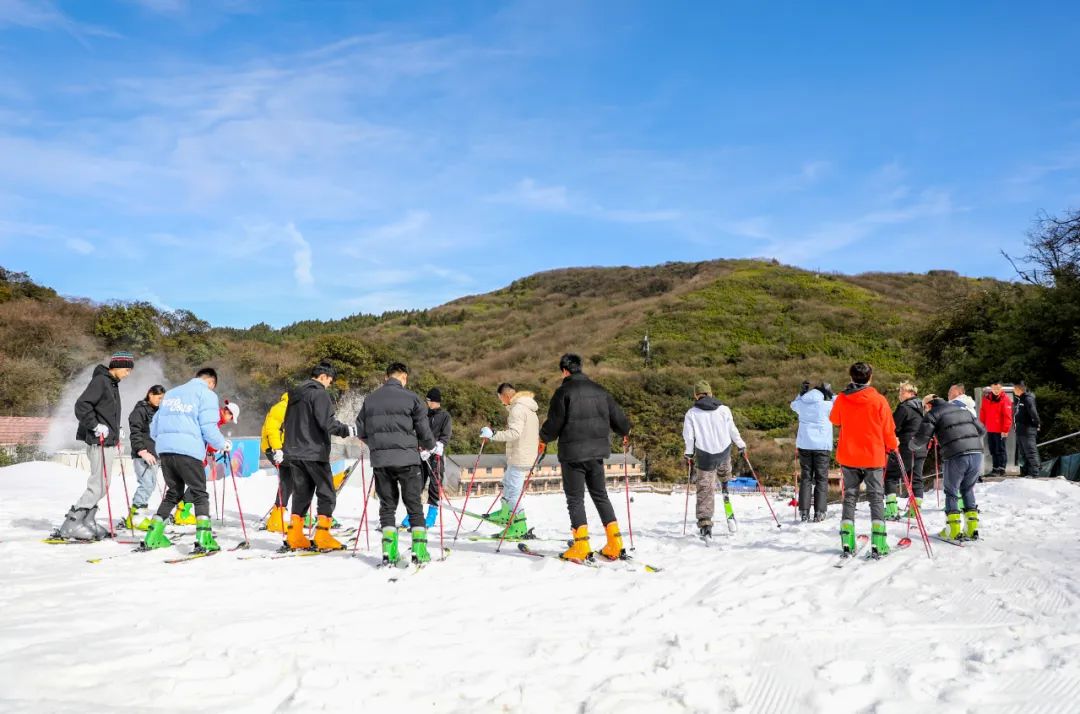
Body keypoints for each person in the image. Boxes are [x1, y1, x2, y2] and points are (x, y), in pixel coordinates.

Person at [538, 353, 632, 561]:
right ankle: (615, 543)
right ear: (580, 367)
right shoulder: (600, 391)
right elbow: (620, 420)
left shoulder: (563, 392)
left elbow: (553, 424)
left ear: (564, 371)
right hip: (597, 454)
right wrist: (624, 432)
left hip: (573, 456)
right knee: (600, 495)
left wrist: (543, 438)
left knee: (575, 499)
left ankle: (581, 546)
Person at [355, 362, 436, 565]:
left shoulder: (370, 399)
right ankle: (419, 550)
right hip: (408, 460)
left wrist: (376, 445)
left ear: (386, 377)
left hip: (381, 462)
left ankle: (389, 551)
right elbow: (424, 431)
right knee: (414, 506)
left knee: (387, 506)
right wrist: (429, 446)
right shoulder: (412, 398)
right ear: (404, 377)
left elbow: (361, 430)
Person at [142, 367, 230, 552]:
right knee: (199, 493)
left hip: (165, 452)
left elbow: (154, 427)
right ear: (211, 382)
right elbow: (208, 427)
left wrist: (166, 442)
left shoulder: (172, 393)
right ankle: (204, 538)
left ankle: (153, 534)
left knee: (173, 493)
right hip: (189, 452)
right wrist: (223, 444)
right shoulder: (206, 394)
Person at [53, 352, 135, 540]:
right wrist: (95, 426)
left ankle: (87, 520)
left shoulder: (112, 384)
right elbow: (82, 405)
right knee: (97, 484)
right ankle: (71, 524)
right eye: (127, 369)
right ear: (116, 365)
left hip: (108, 441)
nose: (128, 373)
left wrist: (117, 428)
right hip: (99, 441)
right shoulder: (101, 381)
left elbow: (106, 412)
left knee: (104, 484)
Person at [281, 362, 355, 551]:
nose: (329, 384)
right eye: (329, 380)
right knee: (327, 492)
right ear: (323, 376)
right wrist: (349, 430)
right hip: (313, 451)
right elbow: (327, 423)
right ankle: (322, 535)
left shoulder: (295, 394)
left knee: (301, 493)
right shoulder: (319, 393)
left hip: (294, 451)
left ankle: (294, 535)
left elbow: (286, 422)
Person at [829, 362, 898, 558]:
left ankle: (847, 541)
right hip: (873, 456)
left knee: (849, 496)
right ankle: (879, 541)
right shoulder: (879, 400)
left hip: (849, 455)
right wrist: (893, 446)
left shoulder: (842, 398)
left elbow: (835, 420)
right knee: (876, 497)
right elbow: (888, 429)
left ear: (851, 378)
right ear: (870, 377)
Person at [910, 395, 987, 540]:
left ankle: (953, 530)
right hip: (977, 454)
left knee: (952, 491)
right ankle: (972, 529)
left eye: (924, 407)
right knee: (967, 489)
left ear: (929, 405)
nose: (924, 410)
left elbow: (921, 438)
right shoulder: (963, 410)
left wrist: (911, 445)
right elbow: (982, 430)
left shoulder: (933, 414)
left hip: (956, 454)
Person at [682, 380, 745, 537]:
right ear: (710, 393)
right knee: (724, 469)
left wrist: (689, 453)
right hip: (724, 451)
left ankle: (705, 523)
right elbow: (732, 430)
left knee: (705, 488)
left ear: (696, 395)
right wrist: (741, 445)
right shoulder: (724, 410)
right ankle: (724, 486)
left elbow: (689, 437)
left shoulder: (691, 414)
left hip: (705, 456)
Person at [480, 382, 540, 539]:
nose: (501, 402)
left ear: (506, 396)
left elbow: (514, 433)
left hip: (520, 456)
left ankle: (519, 526)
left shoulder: (518, 409)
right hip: (523, 455)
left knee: (513, 492)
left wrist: (492, 435)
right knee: (507, 483)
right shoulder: (527, 408)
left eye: (500, 398)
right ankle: (506, 514)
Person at [173, 398, 239, 526]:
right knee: (198, 484)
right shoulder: (214, 418)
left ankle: (182, 511)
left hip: (195, 452)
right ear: (228, 413)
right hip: (194, 454)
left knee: (198, 483)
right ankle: (182, 513)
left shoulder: (214, 417)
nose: (229, 421)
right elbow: (207, 435)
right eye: (231, 418)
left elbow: (207, 437)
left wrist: (212, 449)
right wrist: (219, 446)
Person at [403, 387, 452, 528]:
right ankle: (412, 514)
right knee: (417, 483)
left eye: (428, 400)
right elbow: (417, 432)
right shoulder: (423, 414)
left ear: (434, 401)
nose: (427, 402)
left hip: (435, 454)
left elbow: (445, 435)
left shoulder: (445, 416)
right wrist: (419, 447)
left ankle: (432, 514)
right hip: (421, 454)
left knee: (435, 483)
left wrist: (436, 448)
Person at [790, 380, 834, 522]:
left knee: (806, 478)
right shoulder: (827, 405)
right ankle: (820, 512)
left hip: (805, 445)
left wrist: (800, 394)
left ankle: (804, 511)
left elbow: (793, 405)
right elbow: (841, 403)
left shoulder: (802, 404)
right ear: (823, 394)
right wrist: (831, 393)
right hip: (822, 447)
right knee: (821, 479)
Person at [884, 382, 928, 521]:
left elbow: (893, 426)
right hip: (921, 445)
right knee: (916, 478)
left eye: (902, 392)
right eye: (900, 392)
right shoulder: (923, 408)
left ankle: (891, 509)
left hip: (906, 446)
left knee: (890, 475)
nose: (900, 395)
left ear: (911, 393)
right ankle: (915, 510)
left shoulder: (905, 407)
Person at [125, 384, 166, 531]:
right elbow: (135, 433)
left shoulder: (159, 412)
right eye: (158, 397)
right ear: (150, 394)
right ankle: (135, 517)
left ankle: (136, 517)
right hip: (143, 455)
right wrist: (142, 451)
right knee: (147, 484)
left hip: (154, 455)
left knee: (151, 484)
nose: (160, 401)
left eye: (162, 399)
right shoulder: (139, 411)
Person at [260, 391, 290, 533]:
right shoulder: (282, 407)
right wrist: (277, 449)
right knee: (289, 481)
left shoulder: (291, 407)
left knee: (290, 481)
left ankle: (276, 516)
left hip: (283, 449)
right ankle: (276, 518)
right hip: (275, 450)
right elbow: (272, 430)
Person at [979, 381, 1013, 476]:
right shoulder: (986, 399)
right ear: (991, 388)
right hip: (990, 429)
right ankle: (995, 468)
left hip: (1000, 430)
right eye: (994, 388)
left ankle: (1001, 469)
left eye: (998, 388)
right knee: (993, 449)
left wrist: (1005, 430)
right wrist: (981, 425)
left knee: (1000, 449)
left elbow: (1007, 416)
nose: (996, 391)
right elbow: (983, 413)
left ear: (1001, 388)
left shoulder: (1005, 399)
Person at [1013, 381, 1041, 477]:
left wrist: (1037, 424)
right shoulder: (1019, 399)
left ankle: (1034, 473)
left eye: (1015, 388)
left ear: (1019, 389)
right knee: (1023, 452)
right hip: (1020, 429)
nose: (1013, 390)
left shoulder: (1028, 398)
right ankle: (1025, 471)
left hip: (1028, 428)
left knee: (1030, 451)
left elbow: (1033, 413)